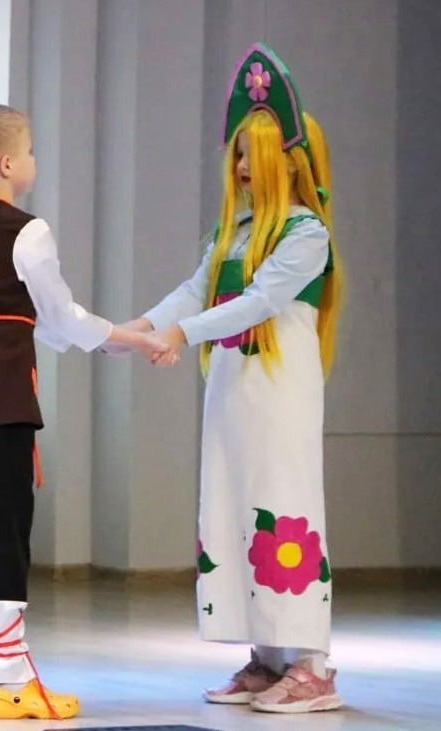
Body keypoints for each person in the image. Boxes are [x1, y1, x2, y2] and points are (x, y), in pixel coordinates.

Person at [0, 102, 172, 721]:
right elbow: (59, 316)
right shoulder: (27, 230)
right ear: (9, 163)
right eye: (30, 150)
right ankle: (9, 681)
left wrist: (113, 338)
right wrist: (129, 338)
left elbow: (33, 318)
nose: (34, 160)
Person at [120, 43, 346, 714]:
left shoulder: (306, 234)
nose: (243, 167)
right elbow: (195, 290)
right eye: (239, 154)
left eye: (255, 154)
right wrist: (138, 328)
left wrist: (179, 335)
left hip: (279, 393)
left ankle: (310, 665)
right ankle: (266, 655)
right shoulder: (237, 230)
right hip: (232, 389)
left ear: (289, 161)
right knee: (235, 503)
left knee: (284, 506)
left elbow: (258, 302)